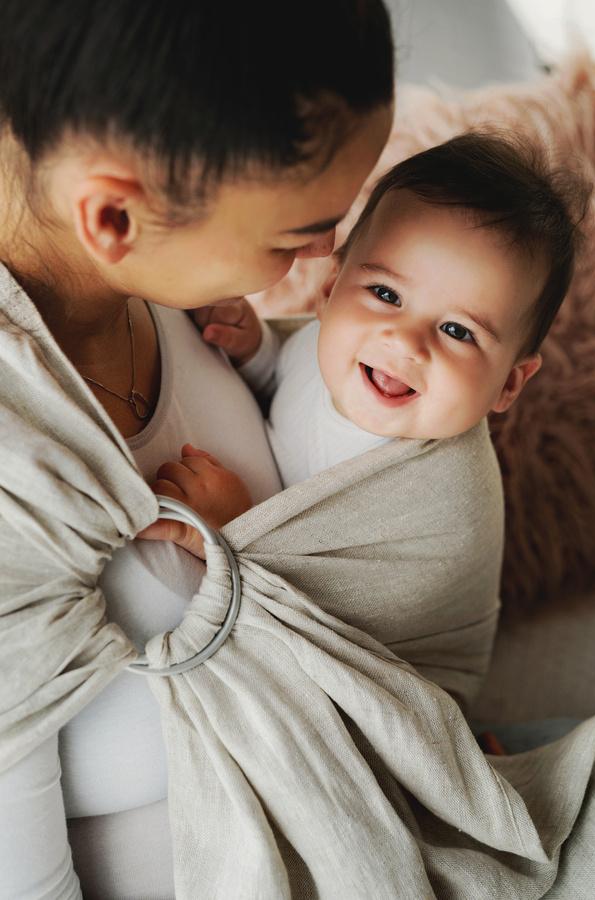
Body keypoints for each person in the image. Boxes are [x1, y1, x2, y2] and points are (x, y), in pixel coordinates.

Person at [0, 1, 395, 897]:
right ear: (112, 218)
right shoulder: (22, 468)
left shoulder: (174, 283)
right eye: (295, 236)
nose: (330, 257)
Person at [145, 133, 586, 557]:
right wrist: (256, 352)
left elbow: (329, 612)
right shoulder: (332, 348)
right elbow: (291, 383)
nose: (405, 341)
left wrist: (234, 532)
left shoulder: (439, 506)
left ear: (509, 383)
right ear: (329, 290)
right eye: (386, 294)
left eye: (457, 330)